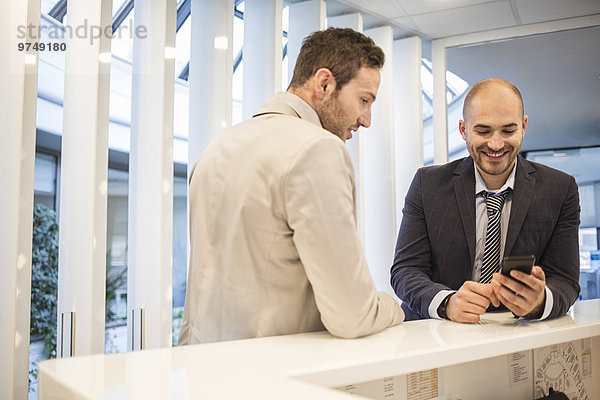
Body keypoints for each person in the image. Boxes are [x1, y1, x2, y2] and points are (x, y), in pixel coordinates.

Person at [178, 28, 404, 345]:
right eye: (364, 100)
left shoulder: (215, 149)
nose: (366, 119)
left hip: (200, 371)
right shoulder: (318, 150)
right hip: (274, 377)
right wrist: (395, 308)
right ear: (324, 83)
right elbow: (353, 315)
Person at [391, 78, 580, 323]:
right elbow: (405, 271)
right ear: (463, 130)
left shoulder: (560, 189)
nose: (496, 144)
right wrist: (447, 303)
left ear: (523, 126)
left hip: (516, 335)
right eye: (483, 131)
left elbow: (566, 280)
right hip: (436, 334)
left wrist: (541, 300)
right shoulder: (427, 185)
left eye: (508, 130)